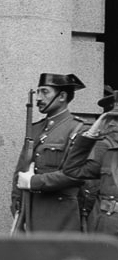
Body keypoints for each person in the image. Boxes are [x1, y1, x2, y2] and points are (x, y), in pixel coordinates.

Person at [13, 73, 88, 232]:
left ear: (62, 96)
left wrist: (33, 182)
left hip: (60, 215)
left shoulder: (78, 129)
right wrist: (17, 202)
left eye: (45, 92)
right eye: (38, 92)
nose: (39, 98)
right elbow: (21, 168)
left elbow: (74, 175)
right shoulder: (35, 129)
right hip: (31, 210)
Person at [60, 97, 118, 235]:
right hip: (107, 229)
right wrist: (91, 135)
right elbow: (72, 170)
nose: (113, 125)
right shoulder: (110, 155)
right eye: (112, 119)